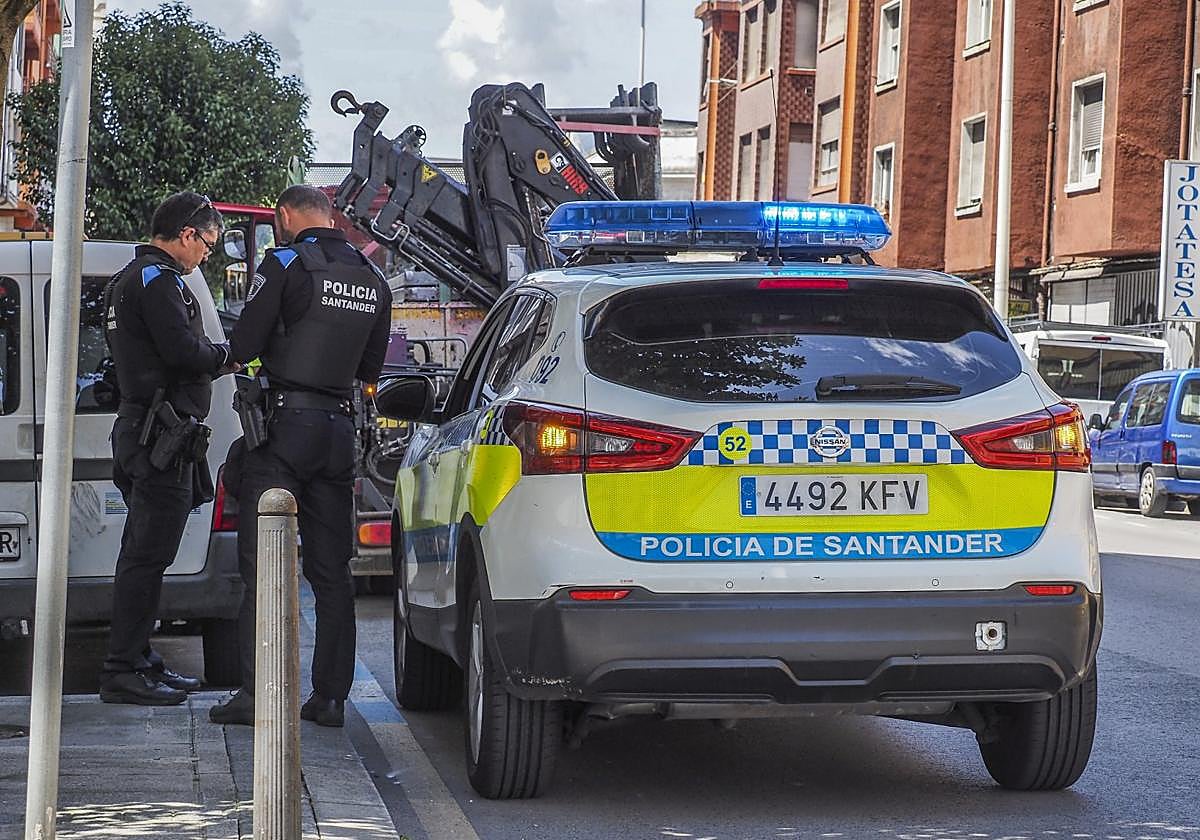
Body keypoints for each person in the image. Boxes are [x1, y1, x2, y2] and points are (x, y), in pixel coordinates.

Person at [210, 185, 392, 728]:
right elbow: (369, 370)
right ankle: (330, 698)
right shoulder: (371, 278)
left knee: (263, 564)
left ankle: (256, 693)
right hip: (338, 433)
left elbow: (243, 345)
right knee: (333, 571)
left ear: (285, 217)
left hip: (283, 431)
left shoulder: (284, 263)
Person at [100, 192, 239, 705]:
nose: (207, 253)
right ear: (186, 234)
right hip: (157, 434)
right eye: (207, 243)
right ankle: (123, 668)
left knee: (148, 554)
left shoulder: (132, 278)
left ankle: (139, 659)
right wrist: (226, 356)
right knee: (144, 555)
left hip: (152, 431)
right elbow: (183, 352)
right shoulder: (159, 282)